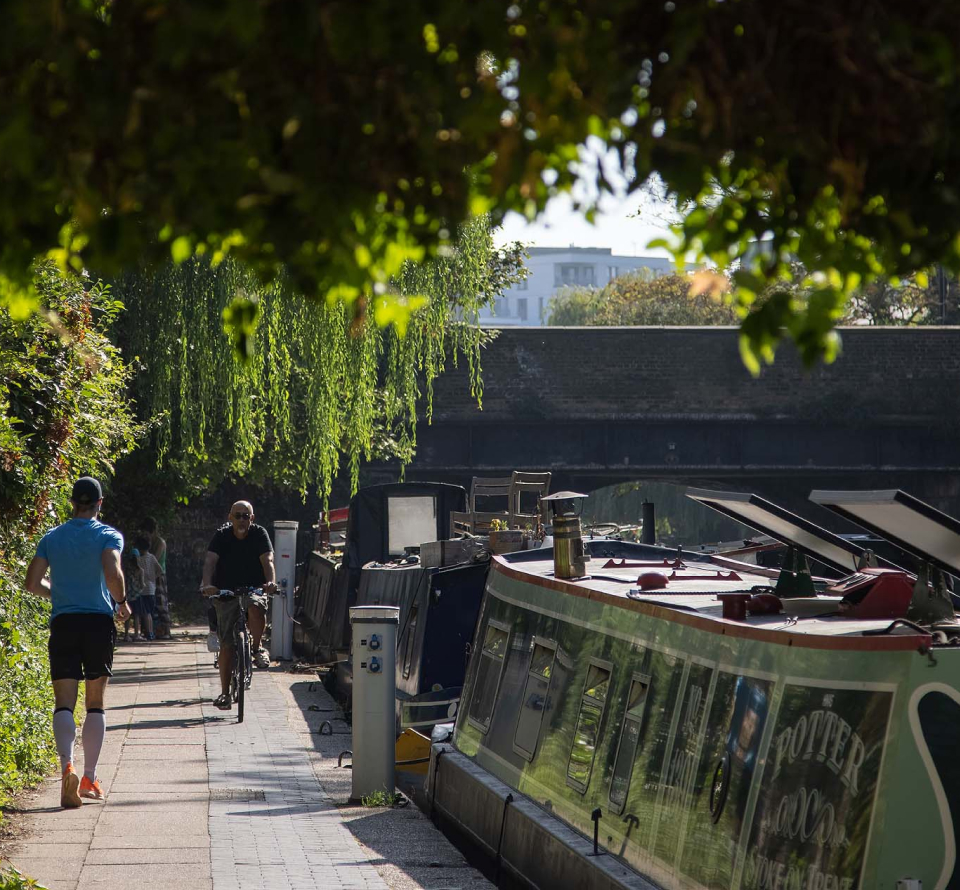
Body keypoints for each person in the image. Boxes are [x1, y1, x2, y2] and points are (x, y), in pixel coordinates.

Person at [24, 476, 130, 808]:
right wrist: (122, 601)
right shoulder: (107, 535)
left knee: (64, 702)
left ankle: (66, 765)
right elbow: (112, 572)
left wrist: (59, 594)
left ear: (72, 502)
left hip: (64, 623)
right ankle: (88, 777)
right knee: (95, 702)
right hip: (98, 623)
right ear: (100, 503)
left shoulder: (52, 538)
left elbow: (31, 582)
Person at [200, 500, 276, 710]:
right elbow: (209, 562)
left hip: (253, 588)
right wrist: (207, 585)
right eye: (238, 515)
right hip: (226, 592)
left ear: (252, 519)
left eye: (246, 516)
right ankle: (225, 693)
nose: (242, 519)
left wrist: (270, 582)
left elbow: (268, 560)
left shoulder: (259, 534)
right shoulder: (221, 536)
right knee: (226, 645)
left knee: (255, 607)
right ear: (230, 517)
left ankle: (256, 647)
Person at [134, 535, 164, 641]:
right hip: (152, 588)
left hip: (142, 589)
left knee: (144, 612)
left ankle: (148, 633)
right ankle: (151, 632)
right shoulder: (152, 557)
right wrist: (154, 577)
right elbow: (160, 570)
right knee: (149, 613)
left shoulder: (138, 559)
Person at [120, 546, 144, 641]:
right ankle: (136, 634)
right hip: (137, 595)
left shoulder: (126, 570)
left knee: (127, 615)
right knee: (137, 615)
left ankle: (126, 635)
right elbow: (142, 584)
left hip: (127, 595)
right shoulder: (140, 570)